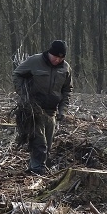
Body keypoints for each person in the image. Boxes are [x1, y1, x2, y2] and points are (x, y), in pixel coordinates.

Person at [12, 39, 73, 175]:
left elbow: (67, 90)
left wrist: (63, 110)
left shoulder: (65, 68)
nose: (57, 60)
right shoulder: (35, 61)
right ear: (49, 53)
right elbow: (17, 74)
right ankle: (37, 170)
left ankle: (36, 166)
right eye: (55, 56)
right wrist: (24, 95)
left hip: (51, 111)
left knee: (48, 144)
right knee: (39, 142)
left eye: (61, 57)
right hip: (34, 109)